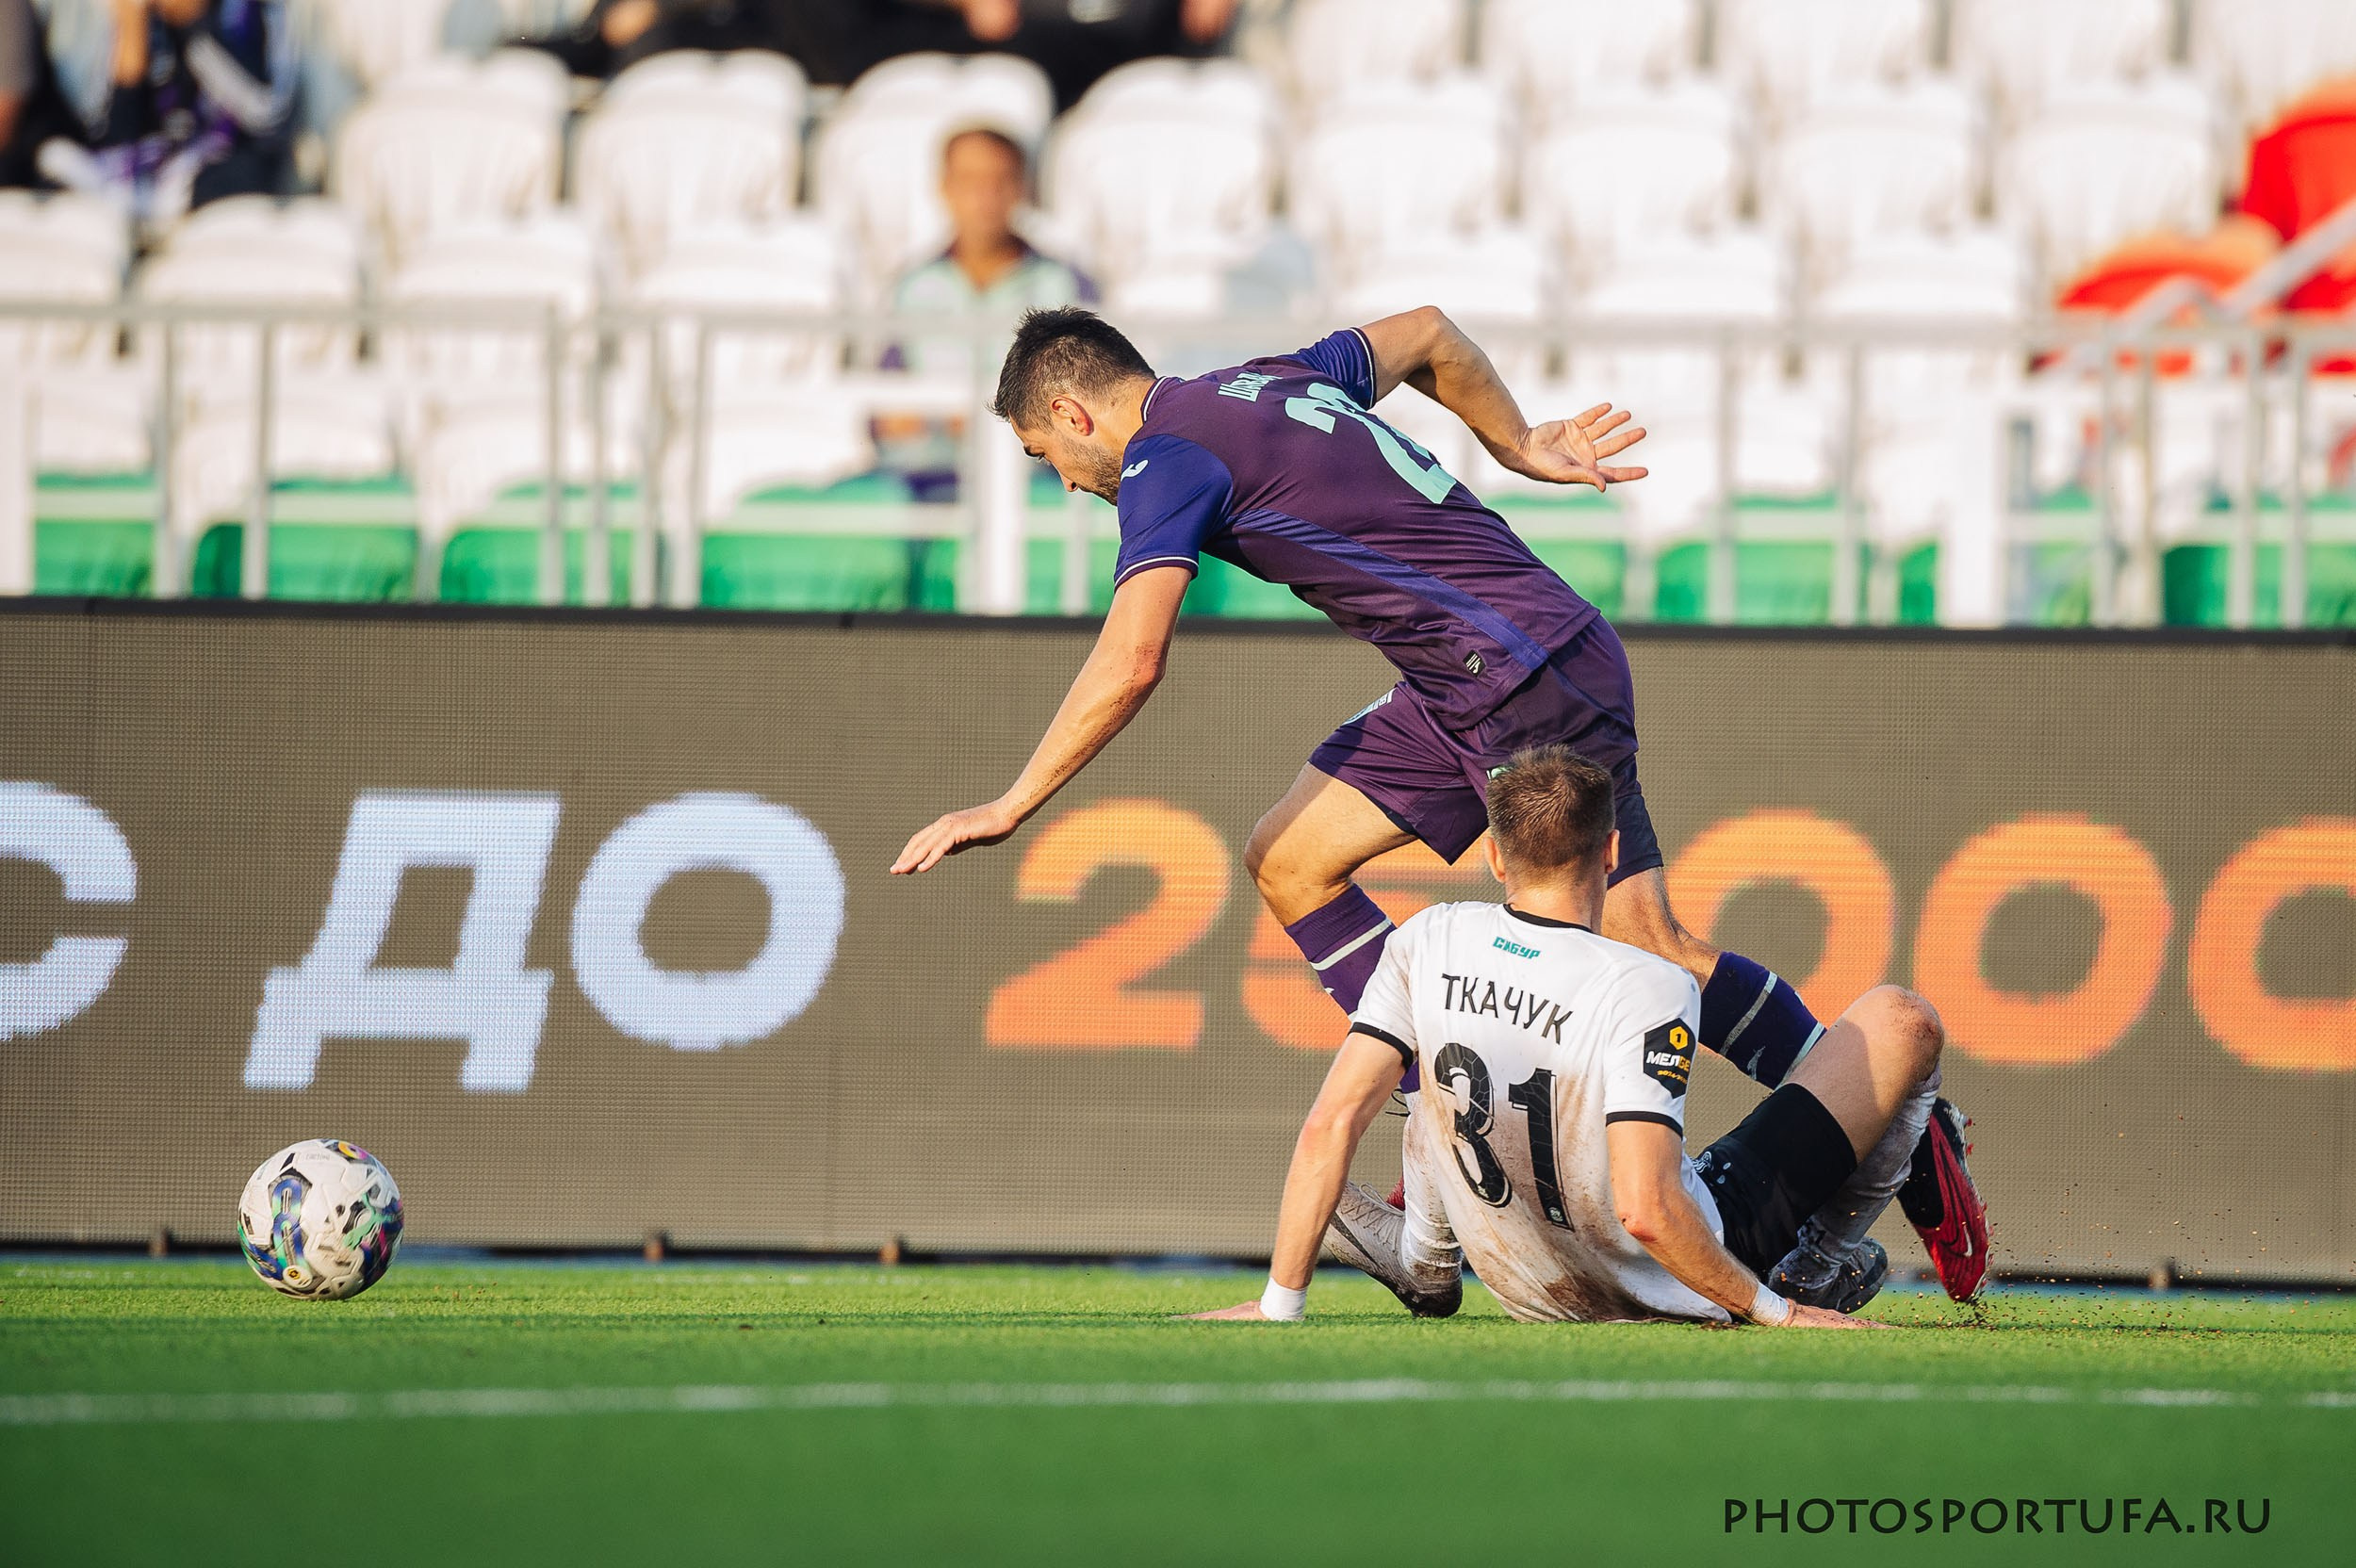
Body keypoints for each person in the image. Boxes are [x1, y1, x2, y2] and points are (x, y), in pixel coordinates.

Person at [890, 303, 1990, 1307]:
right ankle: (1455, 1168)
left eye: (1048, 458)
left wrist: (1011, 802)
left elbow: (1132, 662)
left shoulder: (1161, 460)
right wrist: (1516, 444)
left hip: (1521, 673)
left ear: (1073, 412)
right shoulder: (1271, 379)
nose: (1068, 483)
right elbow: (1424, 333)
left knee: (1645, 944)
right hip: (1467, 679)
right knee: (1288, 857)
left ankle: (1899, 1123)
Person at [1186, 746, 1968, 1328]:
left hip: (1527, 1290)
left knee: (1435, 1084)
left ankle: (1426, 1257)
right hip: (1678, 1278)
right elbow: (1648, 1208)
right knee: (1903, 1020)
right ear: (1614, 853)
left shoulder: (1426, 940)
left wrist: (1277, 1305)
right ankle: (1816, 1267)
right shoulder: (1649, 983)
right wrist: (1774, 1313)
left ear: (1492, 855)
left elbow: (1330, 1123)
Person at [875, 125, 1095, 499]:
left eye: (1001, 180)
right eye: (970, 180)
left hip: (1035, 481)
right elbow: (884, 405)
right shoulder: (911, 285)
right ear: (943, 187)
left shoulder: (1065, 284)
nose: (986, 196)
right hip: (925, 477)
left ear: (1024, 188)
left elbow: (1085, 400)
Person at [33, 0, 294, 226]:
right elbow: (113, 136)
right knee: (53, 156)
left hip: (224, 158)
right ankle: (140, 206)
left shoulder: (253, 9)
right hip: (147, 167)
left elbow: (265, 114)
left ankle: (143, 207)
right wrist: (131, 35)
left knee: (242, 176)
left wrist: (192, 26)